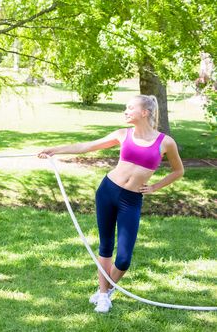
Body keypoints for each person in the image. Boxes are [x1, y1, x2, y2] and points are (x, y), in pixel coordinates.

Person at [38, 95, 184, 313]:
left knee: (124, 259)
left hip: (131, 200)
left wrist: (155, 187)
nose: (126, 111)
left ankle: (105, 291)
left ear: (144, 112)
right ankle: (104, 295)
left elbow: (178, 171)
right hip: (108, 191)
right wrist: (54, 149)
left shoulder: (165, 142)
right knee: (106, 247)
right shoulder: (123, 134)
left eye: (130, 108)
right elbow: (87, 146)